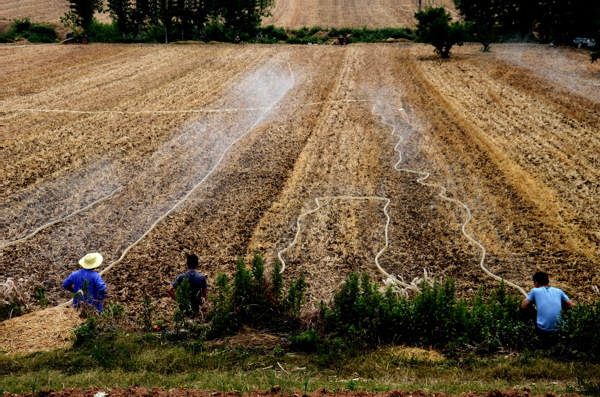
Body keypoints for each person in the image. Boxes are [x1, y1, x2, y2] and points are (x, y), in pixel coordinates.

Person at [521, 271, 575, 348]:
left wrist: (534, 302)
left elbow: (523, 306)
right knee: (564, 305)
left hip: (543, 329)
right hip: (560, 328)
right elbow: (571, 305)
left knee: (527, 308)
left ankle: (533, 332)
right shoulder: (558, 291)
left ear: (536, 283)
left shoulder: (535, 291)